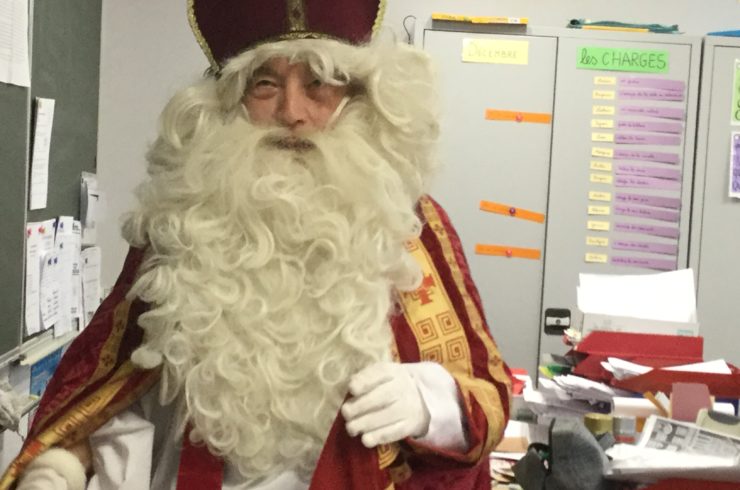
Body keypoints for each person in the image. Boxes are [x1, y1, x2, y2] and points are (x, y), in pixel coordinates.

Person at [2, 1, 512, 488]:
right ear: (227, 102)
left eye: (318, 83)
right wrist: (63, 466)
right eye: (265, 84)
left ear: (359, 95)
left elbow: (487, 397)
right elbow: (114, 388)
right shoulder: (183, 226)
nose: (292, 111)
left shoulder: (410, 227)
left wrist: (431, 405)